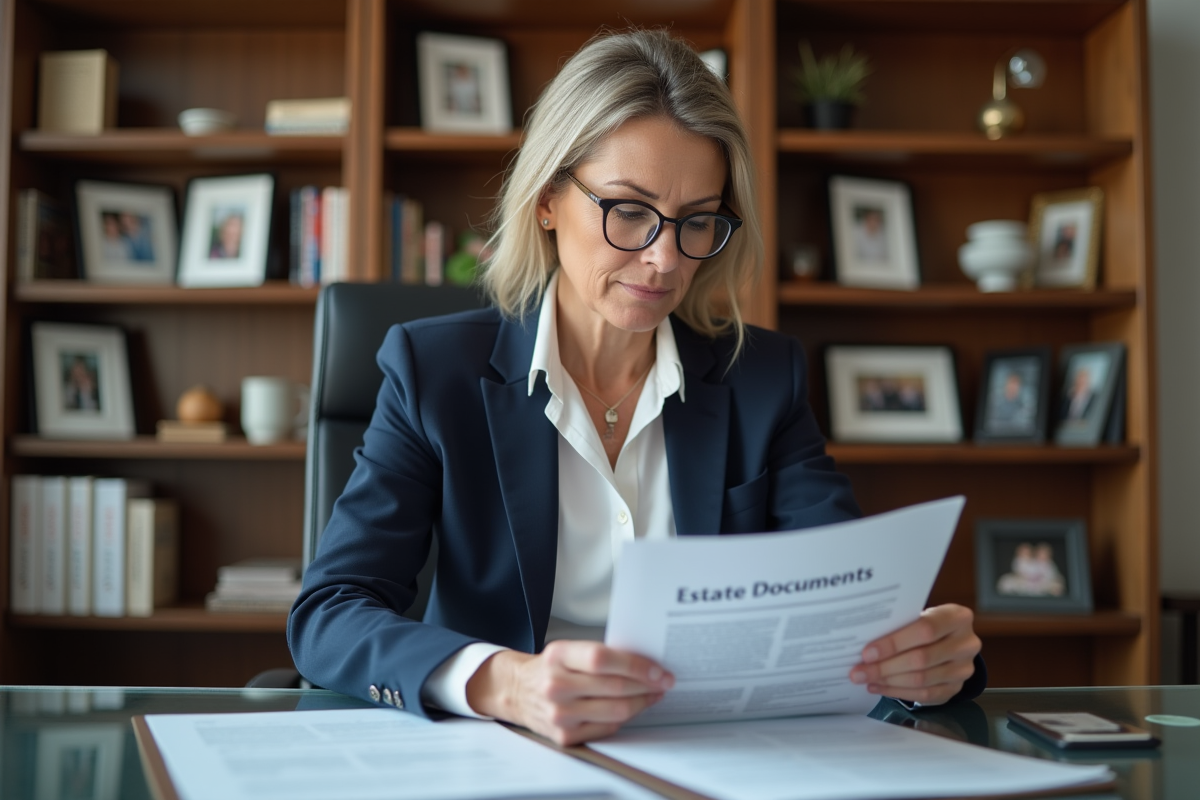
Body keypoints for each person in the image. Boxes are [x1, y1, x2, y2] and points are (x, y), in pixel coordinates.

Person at [288, 29, 984, 747]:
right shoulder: (434, 371)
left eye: (697, 221)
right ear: (548, 199)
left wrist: (929, 659)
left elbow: (850, 600)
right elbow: (330, 613)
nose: (664, 259)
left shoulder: (761, 379)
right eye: (628, 211)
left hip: (716, 753)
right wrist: (507, 683)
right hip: (503, 749)